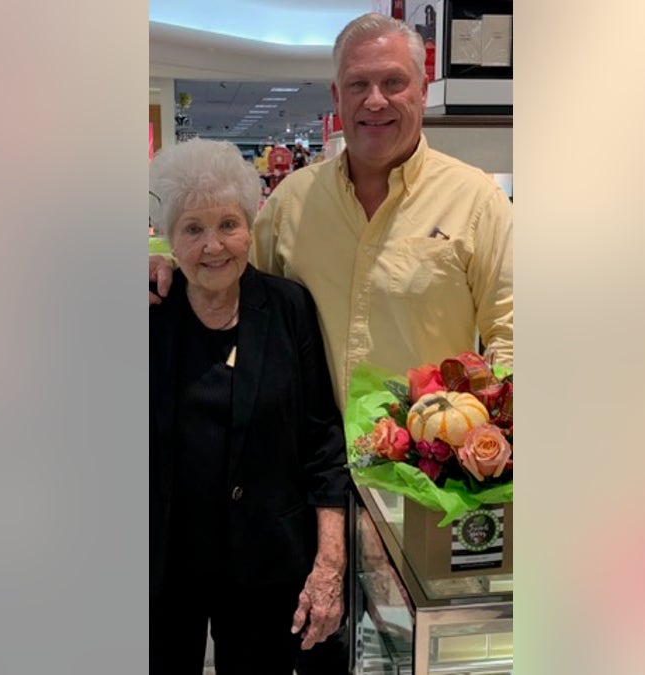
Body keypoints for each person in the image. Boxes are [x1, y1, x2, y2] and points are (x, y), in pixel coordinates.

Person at [150, 12, 514, 671]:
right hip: (298, 499)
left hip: (419, 496)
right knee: (314, 655)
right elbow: (228, 281)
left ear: (423, 84)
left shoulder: (476, 202)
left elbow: (516, 335)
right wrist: (163, 266)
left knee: (406, 655)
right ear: (336, 97)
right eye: (358, 84)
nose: (376, 100)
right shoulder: (292, 201)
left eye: (393, 82)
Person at [148, 138, 349, 675]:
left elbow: (322, 438)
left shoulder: (287, 308)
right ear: (169, 239)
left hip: (267, 562)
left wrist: (330, 557)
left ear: (251, 225)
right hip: (163, 567)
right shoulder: (151, 314)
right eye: (193, 229)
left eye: (228, 224)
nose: (214, 246)